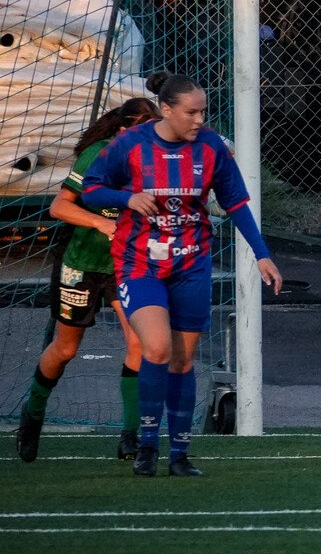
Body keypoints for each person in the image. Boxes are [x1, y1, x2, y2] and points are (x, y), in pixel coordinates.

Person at [81, 73, 282, 476]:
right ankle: (146, 445)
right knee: (156, 349)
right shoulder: (131, 144)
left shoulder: (210, 147)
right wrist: (128, 198)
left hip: (191, 264)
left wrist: (262, 254)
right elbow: (90, 189)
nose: (199, 119)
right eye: (191, 112)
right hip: (140, 264)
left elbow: (235, 202)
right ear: (166, 110)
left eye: (203, 111)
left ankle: (179, 455)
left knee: (182, 360)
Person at [14, 97, 161, 463]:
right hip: (82, 261)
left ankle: (130, 436)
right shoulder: (98, 155)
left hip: (126, 264)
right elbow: (59, 206)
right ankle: (32, 415)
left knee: (140, 341)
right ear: (124, 131)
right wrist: (101, 222)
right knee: (66, 350)